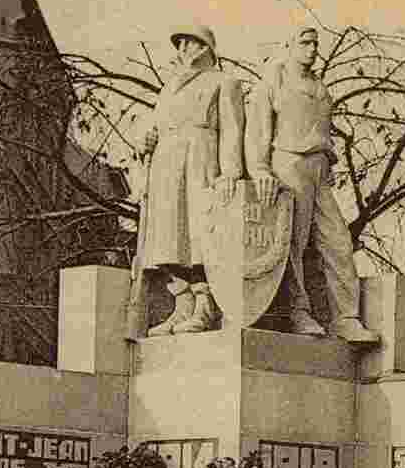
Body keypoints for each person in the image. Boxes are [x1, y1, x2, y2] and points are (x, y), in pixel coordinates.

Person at [245, 28, 380, 343]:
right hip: (289, 163)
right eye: (305, 42)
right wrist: (261, 168)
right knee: (292, 241)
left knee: (338, 242)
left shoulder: (320, 87)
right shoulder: (272, 83)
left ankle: (345, 318)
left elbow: (321, 130)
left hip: (319, 170)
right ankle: (298, 311)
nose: (312, 48)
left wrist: (329, 161)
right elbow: (258, 134)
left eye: (316, 43)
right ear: (288, 45)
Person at [137, 24, 246, 335]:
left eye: (187, 42)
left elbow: (233, 130)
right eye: (180, 43)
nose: (182, 48)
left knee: (200, 238)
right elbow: (156, 125)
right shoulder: (169, 88)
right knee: (169, 239)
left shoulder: (225, 82)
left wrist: (230, 172)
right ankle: (182, 305)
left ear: (204, 46)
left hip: (201, 159)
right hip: (166, 164)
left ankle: (205, 307)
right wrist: (145, 139)